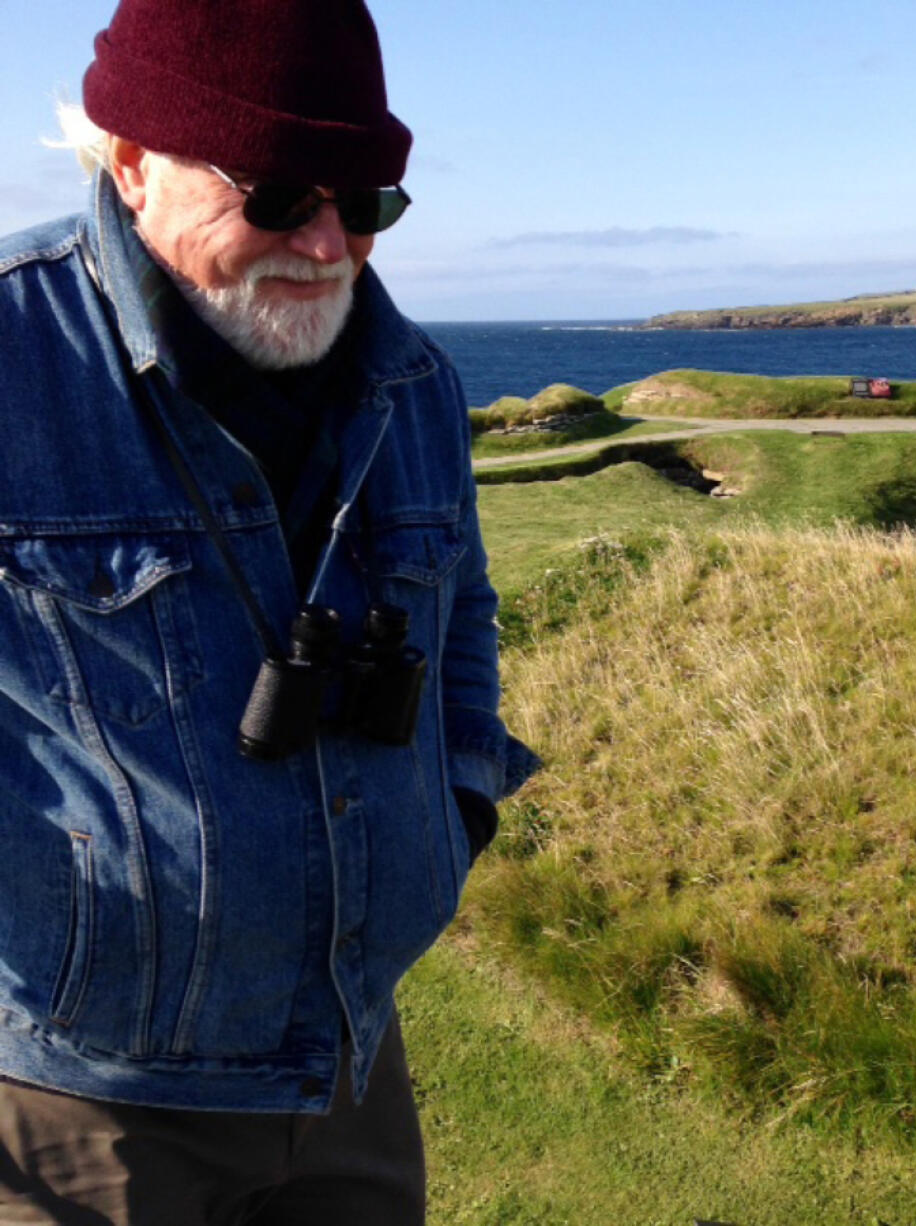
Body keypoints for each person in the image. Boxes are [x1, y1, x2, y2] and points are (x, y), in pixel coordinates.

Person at [0, 2, 535, 1221]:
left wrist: (458, 808)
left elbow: (464, 613)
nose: (330, 242)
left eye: (368, 202)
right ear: (129, 162)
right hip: (81, 1096)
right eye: (282, 193)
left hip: (348, 1059)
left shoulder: (413, 382)